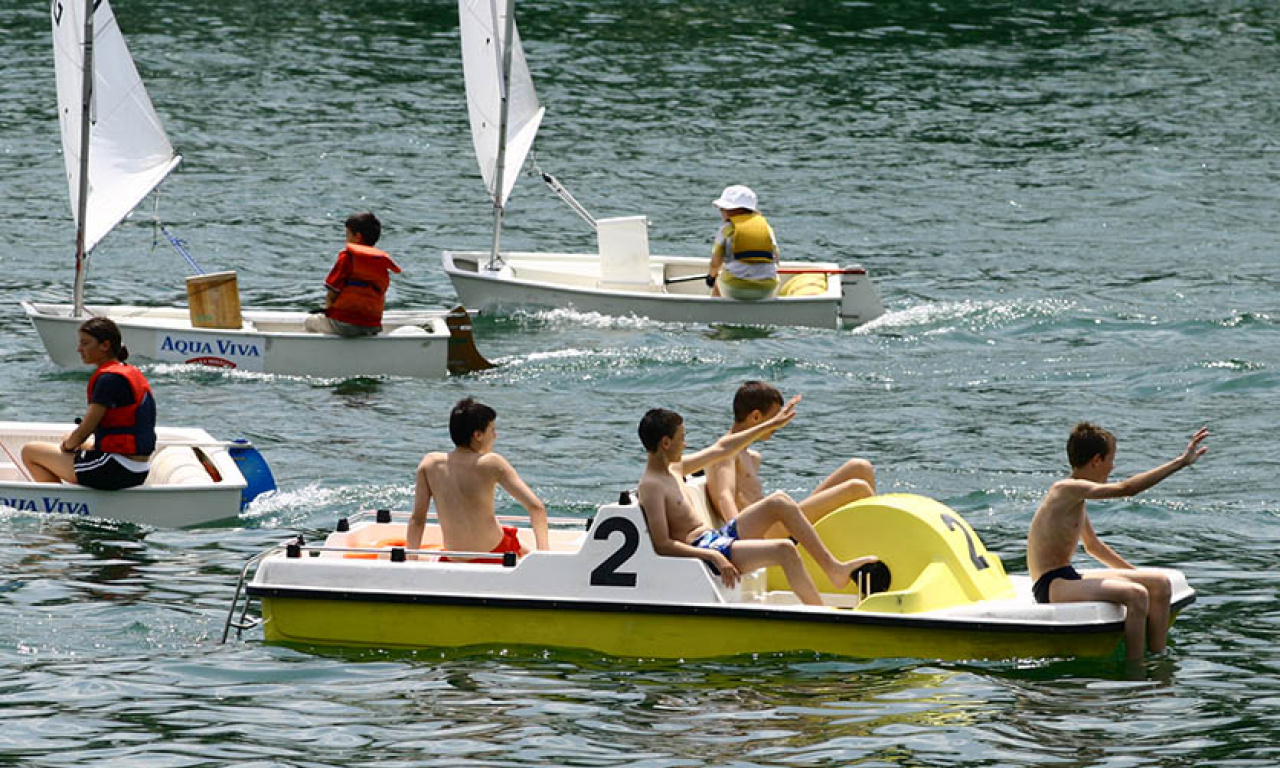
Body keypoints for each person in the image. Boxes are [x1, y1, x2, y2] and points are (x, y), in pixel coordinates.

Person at [636, 398, 877, 606]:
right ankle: (821, 614)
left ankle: (834, 569)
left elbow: (722, 447)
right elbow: (662, 544)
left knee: (779, 501)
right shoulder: (651, 486)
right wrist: (713, 557)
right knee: (785, 550)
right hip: (705, 549)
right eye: (682, 438)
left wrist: (770, 424)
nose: (685, 444)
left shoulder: (675, 468)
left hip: (715, 537)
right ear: (666, 443)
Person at [1026, 422, 1209, 662]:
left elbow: (1094, 547)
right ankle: (1137, 672)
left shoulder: (1075, 500)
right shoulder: (1065, 489)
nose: (1113, 467)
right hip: (1051, 584)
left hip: (1067, 576)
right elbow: (1127, 489)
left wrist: (1135, 574)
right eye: (1111, 460)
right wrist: (1180, 462)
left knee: (1160, 585)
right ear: (1096, 460)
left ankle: (1158, 658)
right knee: (1136, 595)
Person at [706, 381, 876, 538]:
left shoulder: (751, 457)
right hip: (759, 532)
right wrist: (735, 541)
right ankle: (878, 539)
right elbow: (724, 496)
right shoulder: (726, 451)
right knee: (857, 488)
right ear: (756, 417)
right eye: (775, 419)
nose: (779, 425)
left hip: (775, 521)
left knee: (860, 467)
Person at [406, 398, 549, 563]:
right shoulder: (491, 463)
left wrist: (411, 561)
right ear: (478, 435)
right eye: (492, 430)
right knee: (511, 539)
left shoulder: (430, 463)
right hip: (496, 555)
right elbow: (536, 508)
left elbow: (417, 520)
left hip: (454, 559)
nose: (495, 436)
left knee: (507, 534)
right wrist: (544, 558)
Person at [21, 317, 156, 490]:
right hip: (138, 468)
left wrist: (67, 446)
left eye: (85, 343)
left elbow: (86, 429)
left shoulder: (108, 379)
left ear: (105, 345)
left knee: (31, 451)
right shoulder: (129, 372)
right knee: (69, 439)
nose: (79, 349)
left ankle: (57, 507)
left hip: (114, 468)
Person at [304, 212, 401, 337]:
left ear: (357, 237)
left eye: (347, 234)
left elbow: (332, 293)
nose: (346, 239)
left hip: (345, 325)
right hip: (372, 326)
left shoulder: (347, 258)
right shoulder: (381, 263)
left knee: (310, 322)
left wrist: (329, 313)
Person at [706, 185, 780, 301]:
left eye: (722, 208)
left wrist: (711, 276)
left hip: (736, 287)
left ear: (732, 210)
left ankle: (716, 314)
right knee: (773, 278)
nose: (721, 211)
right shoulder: (767, 228)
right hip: (766, 286)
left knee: (716, 280)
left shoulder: (726, 229)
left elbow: (715, 264)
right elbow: (776, 260)